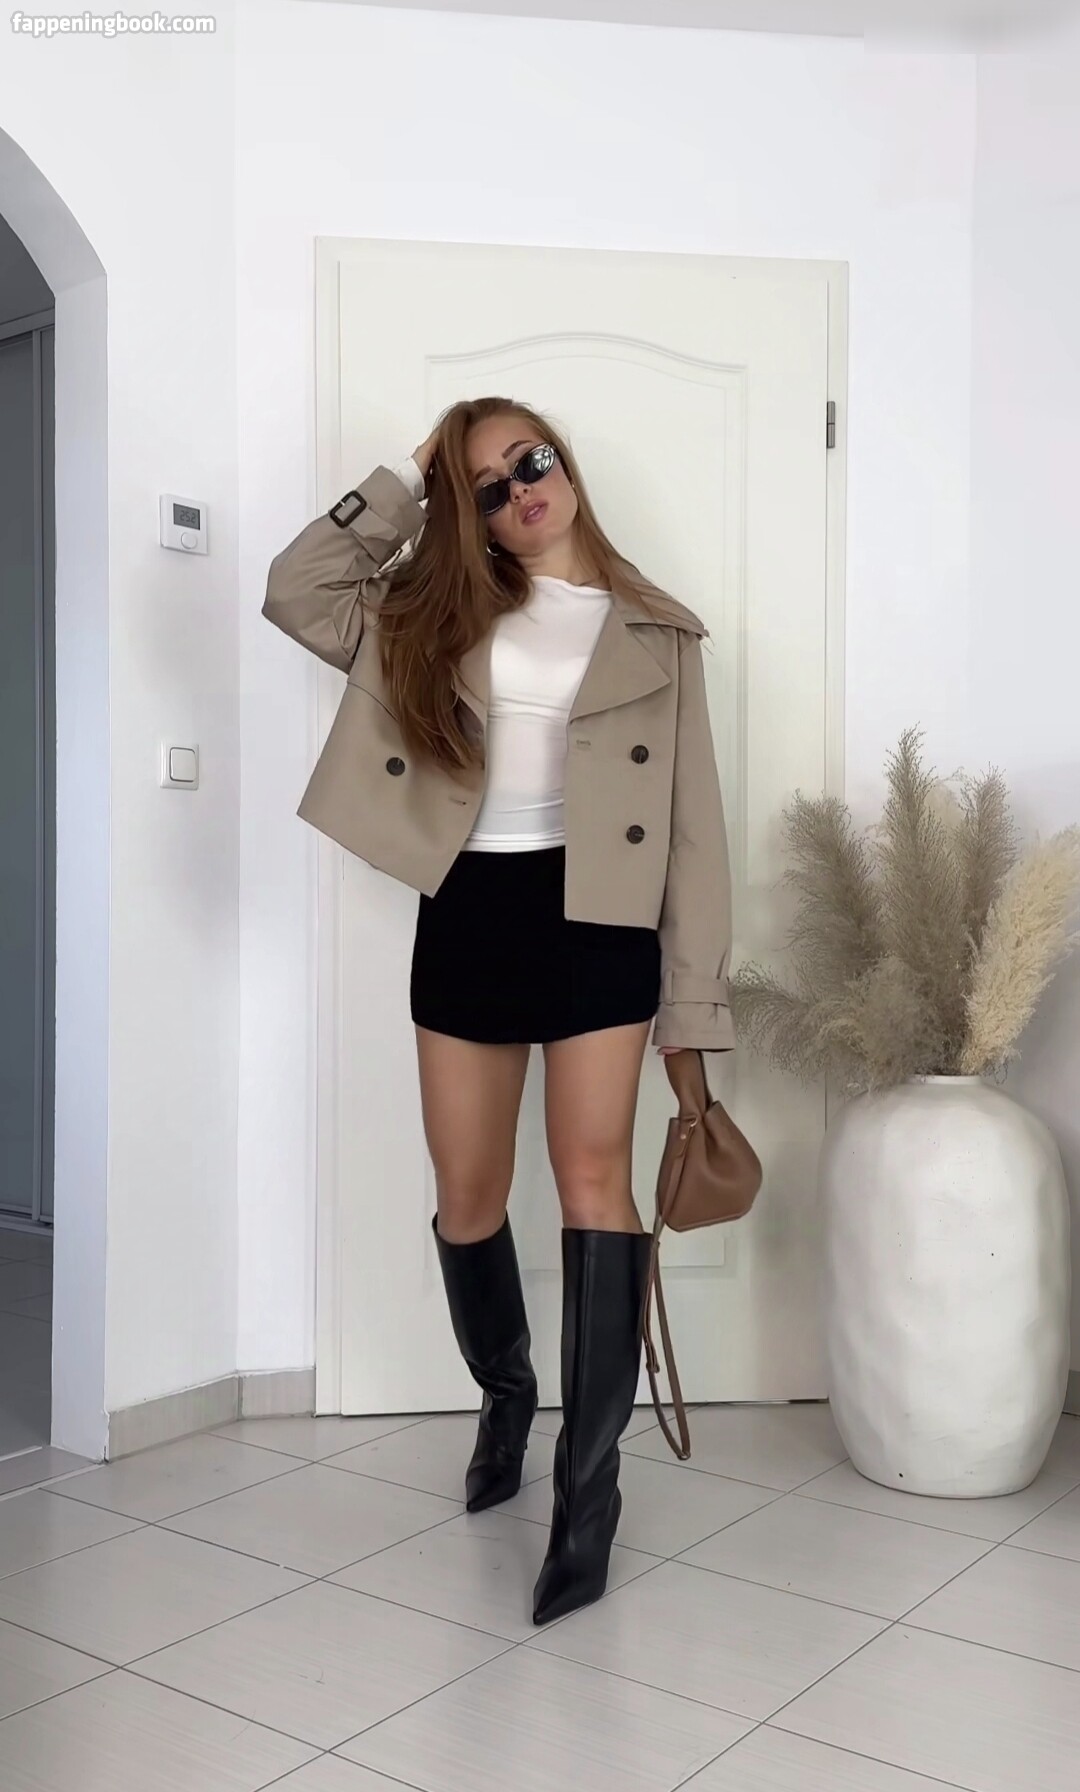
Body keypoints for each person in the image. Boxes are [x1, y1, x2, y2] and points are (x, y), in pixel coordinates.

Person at [263, 396, 735, 1625]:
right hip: (472, 908)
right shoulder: (431, 612)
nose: (522, 487)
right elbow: (296, 588)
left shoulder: (660, 630)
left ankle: (589, 1492)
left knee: (594, 1184)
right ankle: (507, 1392)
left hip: (602, 922)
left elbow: (695, 834)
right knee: (468, 1197)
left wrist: (692, 1007)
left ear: (565, 462)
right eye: (487, 485)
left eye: (533, 460)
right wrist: (413, 479)